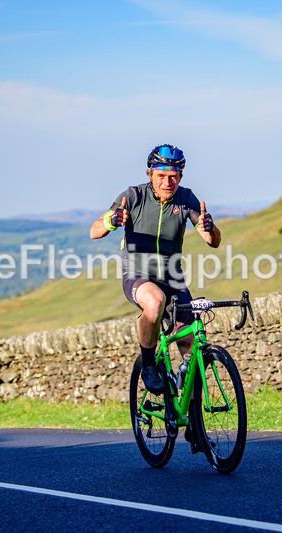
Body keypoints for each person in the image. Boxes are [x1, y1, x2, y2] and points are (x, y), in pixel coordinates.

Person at [90, 144, 220, 394]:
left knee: (191, 346)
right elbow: (95, 231)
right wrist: (111, 221)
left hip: (173, 277)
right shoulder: (134, 195)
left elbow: (212, 241)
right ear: (150, 174)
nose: (167, 182)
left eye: (173, 176)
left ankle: (193, 418)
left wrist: (209, 226)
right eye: (161, 175)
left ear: (180, 176)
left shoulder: (186, 198)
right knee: (154, 301)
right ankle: (148, 363)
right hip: (138, 274)